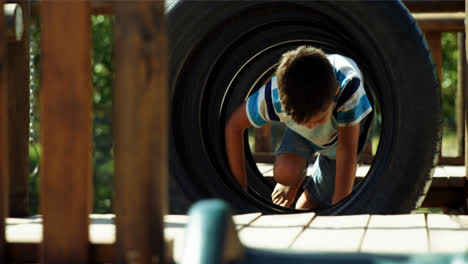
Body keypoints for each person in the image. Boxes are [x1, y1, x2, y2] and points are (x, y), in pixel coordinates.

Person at [225, 46, 375, 209]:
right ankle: (293, 182)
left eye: (319, 119)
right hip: (300, 131)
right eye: (303, 120)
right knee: (285, 172)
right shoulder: (274, 96)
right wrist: (240, 194)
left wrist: (340, 209)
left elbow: (346, 151)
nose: (312, 126)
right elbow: (234, 126)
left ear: (336, 91)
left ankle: (315, 178)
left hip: (342, 136)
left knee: (305, 206)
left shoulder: (348, 88)